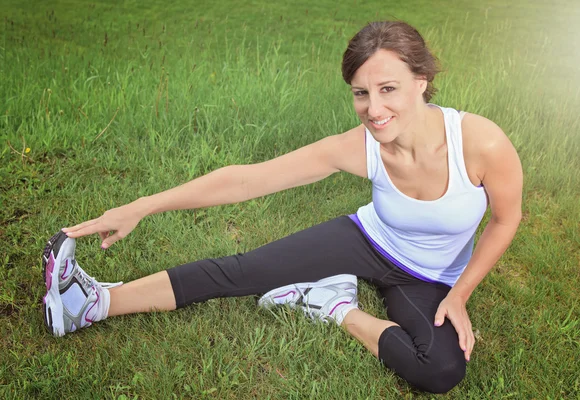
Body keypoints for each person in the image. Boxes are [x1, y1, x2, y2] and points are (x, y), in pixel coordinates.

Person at [41, 20, 522, 394]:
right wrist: (143, 206)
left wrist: (459, 294)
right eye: (361, 92)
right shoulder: (362, 146)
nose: (373, 109)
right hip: (369, 241)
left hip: (432, 279)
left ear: (421, 80)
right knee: (242, 271)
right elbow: (250, 179)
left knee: (439, 369)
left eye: (388, 88)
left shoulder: (480, 143)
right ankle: (95, 303)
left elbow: (506, 219)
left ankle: (332, 305)